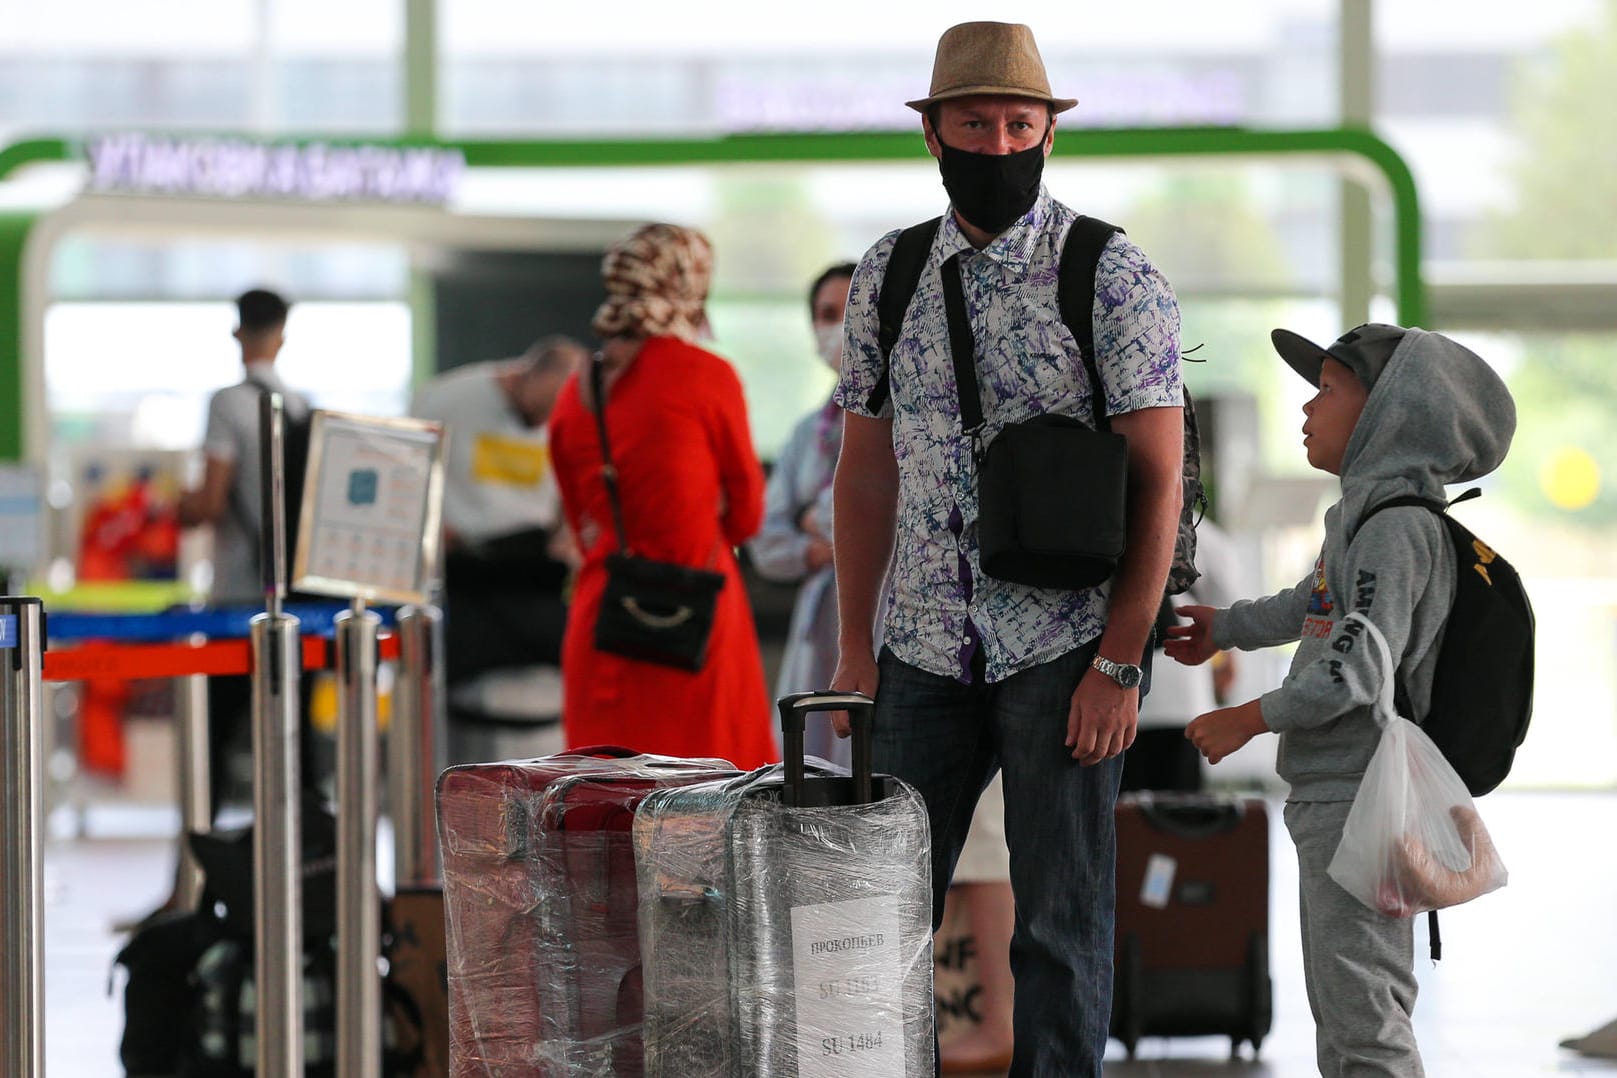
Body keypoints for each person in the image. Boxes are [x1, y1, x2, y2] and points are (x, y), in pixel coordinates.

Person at [829, 22, 1185, 1075]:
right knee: (874, 924)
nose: (998, 144)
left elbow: (1160, 481)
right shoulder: (888, 274)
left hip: (1064, 645)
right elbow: (865, 471)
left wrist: (1121, 662)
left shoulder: (1110, 272)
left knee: (1058, 928)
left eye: (1019, 123)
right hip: (921, 648)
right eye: (975, 123)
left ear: (1048, 135)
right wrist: (857, 648)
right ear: (933, 137)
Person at [1166, 324, 1516, 1076]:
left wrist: (1247, 718)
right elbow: (1311, 604)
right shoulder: (1363, 521)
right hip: (1338, 794)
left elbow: (1355, 665)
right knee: (1349, 1002)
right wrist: (1224, 627)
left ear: (1392, 413)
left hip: (1360, 799)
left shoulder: (1394, 532)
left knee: (1361, 1013)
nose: (1305, 409)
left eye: (1325, 391)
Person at [548, 223, 778, 769]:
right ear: (690, 284)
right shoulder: (707, 376)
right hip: (694, 620)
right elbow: (747, 517)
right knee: (709, 806)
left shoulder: (576, 389)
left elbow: (578, 519)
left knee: (603, 805)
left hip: (605, 621)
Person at [177, 288, 316, 821]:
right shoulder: (301, 406)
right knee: (290, 743)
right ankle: (297, 870)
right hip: (298, 603)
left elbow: (209, 503)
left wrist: (181, 505)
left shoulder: (226, 403)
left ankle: (197, 878)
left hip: (237, 598)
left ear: (237, 333)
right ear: (281, 336)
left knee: (214, 741)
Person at [409, 336, 585, 686]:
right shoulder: (447, 398)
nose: (543, 422)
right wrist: (429, 526)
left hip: (532, 567)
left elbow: (575, 476)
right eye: (540, 410)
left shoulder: (571, 412)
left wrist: (567, 533)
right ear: (524, 376)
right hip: (461, 568)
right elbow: (406, 470)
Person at [748, 261, 856, 766]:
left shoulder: (921, 417)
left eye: (853, 311)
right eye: (827, 314)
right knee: (809, 777)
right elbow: (766, 541)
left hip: (893, 628)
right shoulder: (806, 432)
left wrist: (818, 517)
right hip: (818, 631)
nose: (839, 327)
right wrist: (819, 542)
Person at [1121, 518, 1242, 793]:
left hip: (1127, 690)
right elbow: (1226, 605)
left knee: (1127, 814)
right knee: (1179, 816)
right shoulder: (1201, 532)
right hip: (1181, 692)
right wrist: (1228, 660)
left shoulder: (1112, 515)